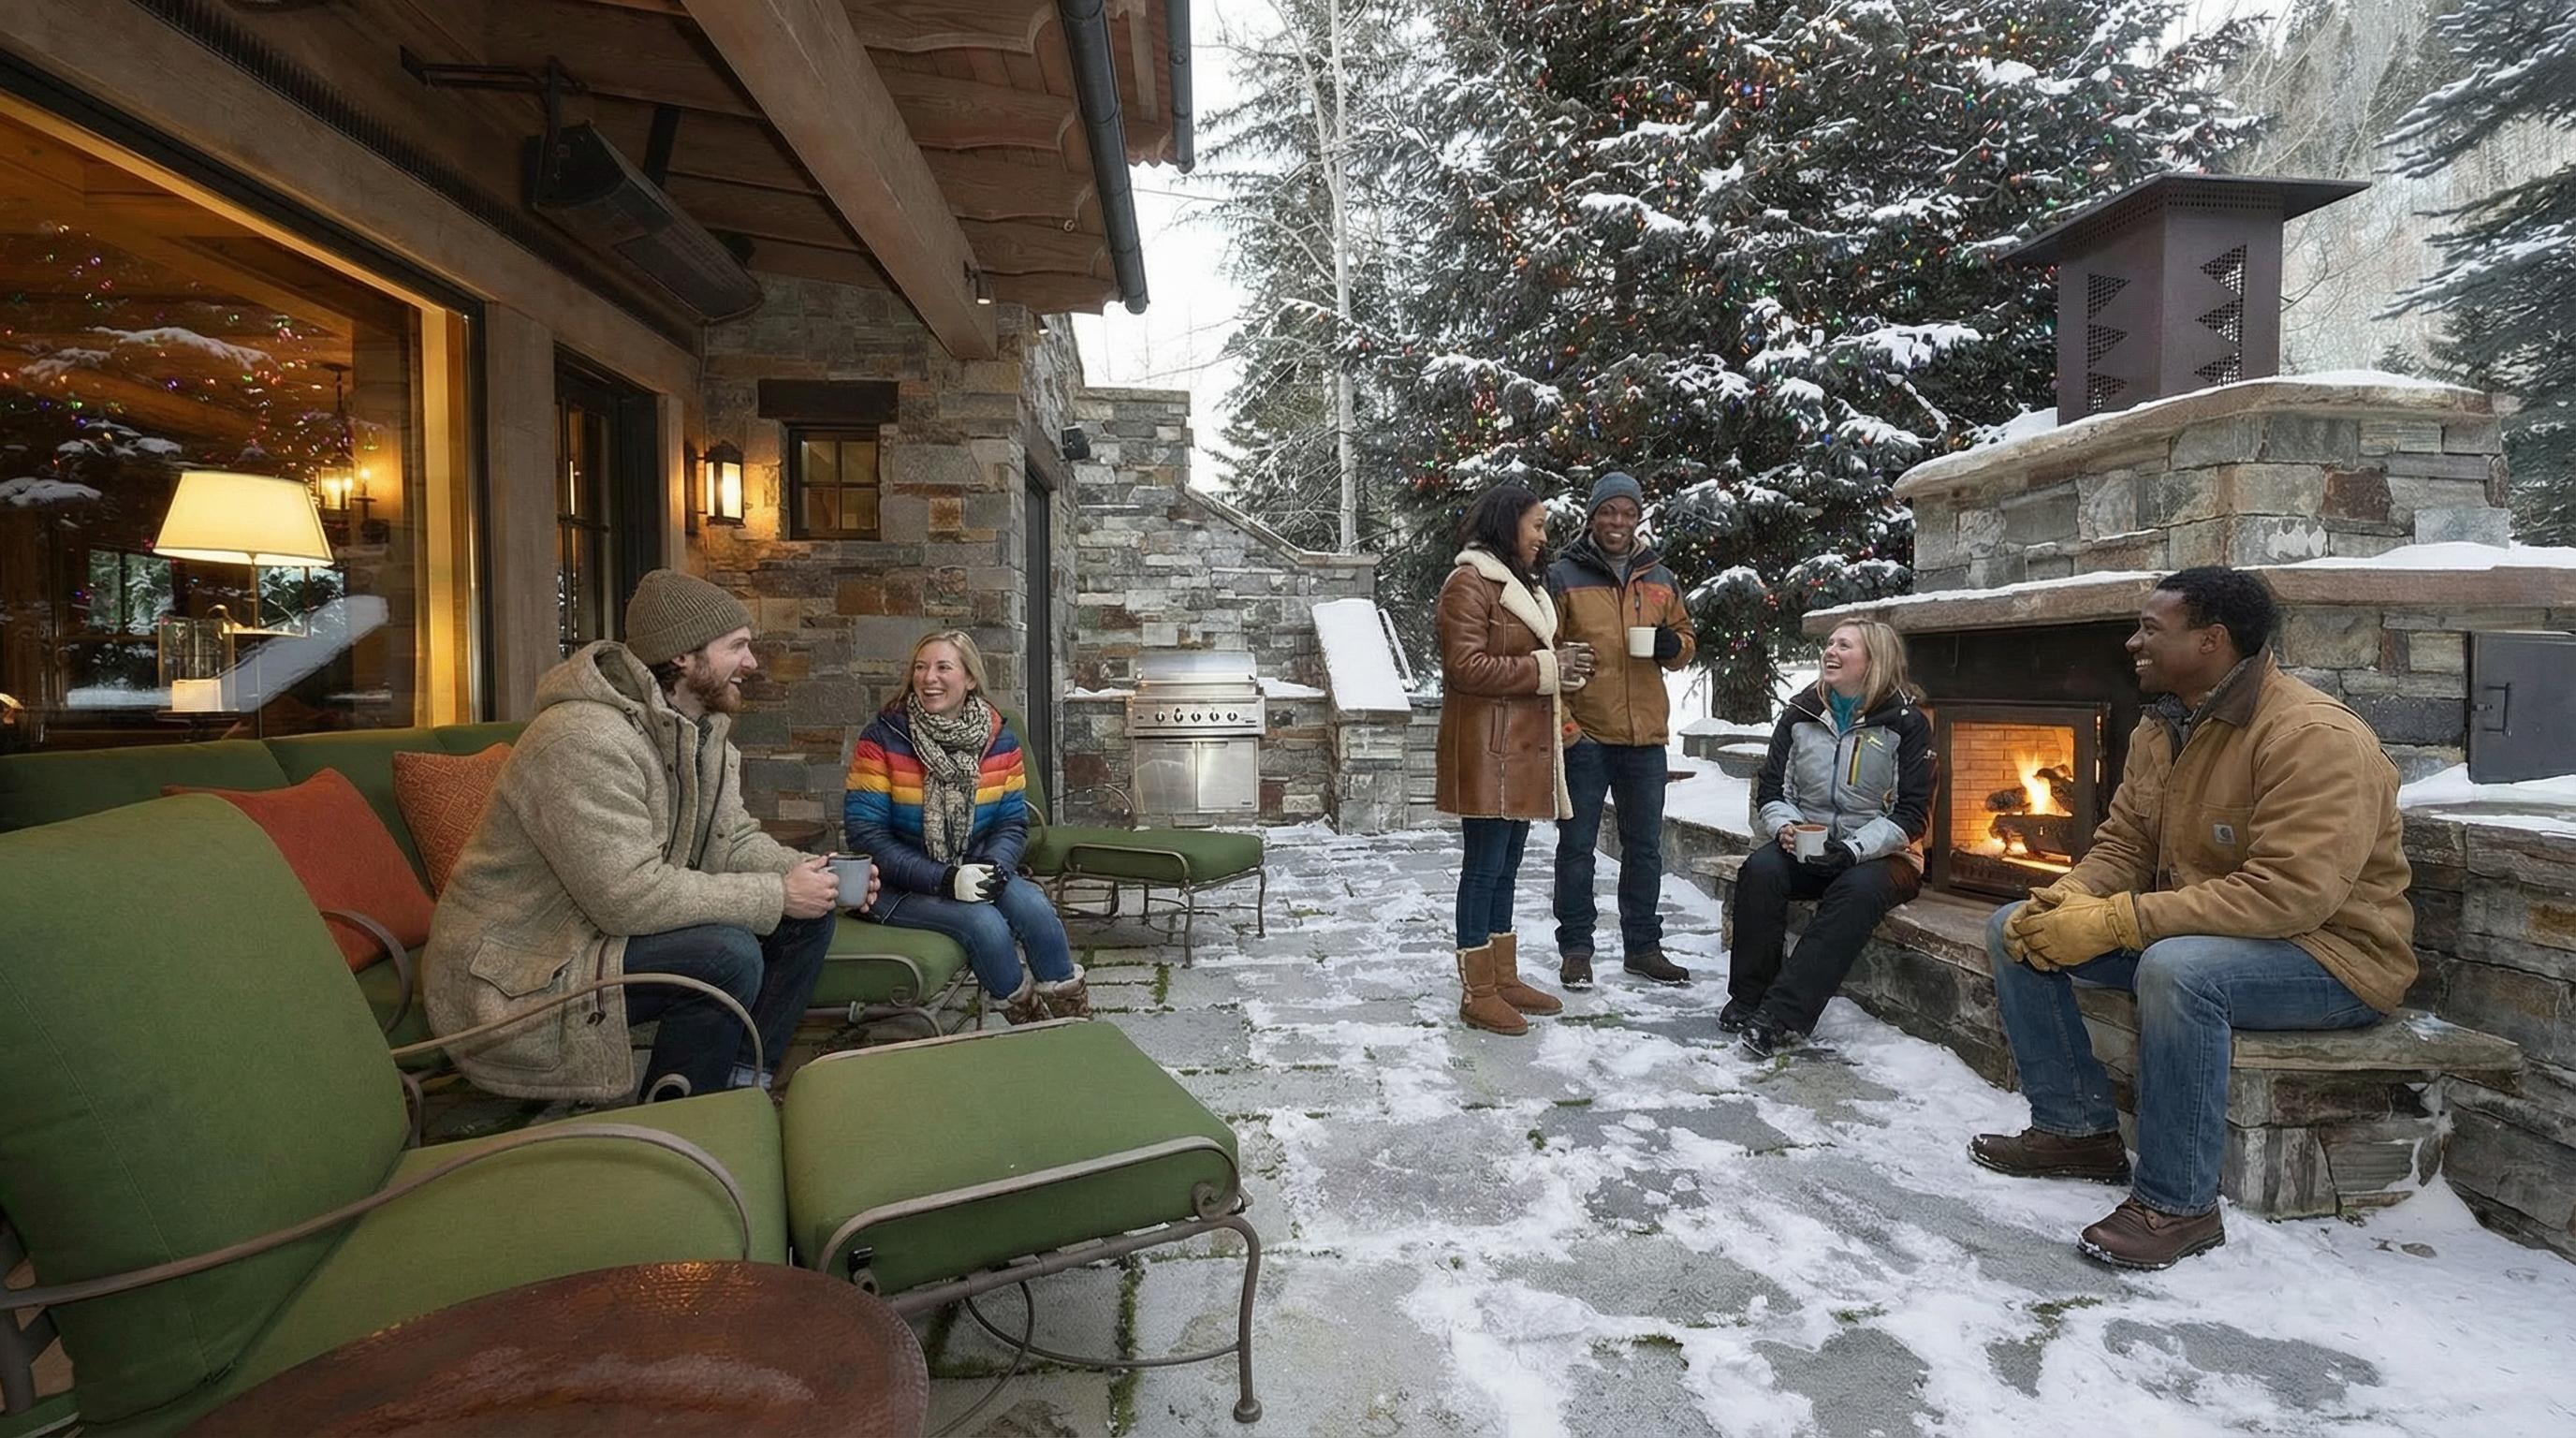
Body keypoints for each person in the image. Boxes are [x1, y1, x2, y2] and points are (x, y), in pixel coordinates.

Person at [1969, 566, 2415, 1270]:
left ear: (2212, 641)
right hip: (2214, 933)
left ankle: (2177, 1206)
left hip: (2331, 958)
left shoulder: (2313, 737)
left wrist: (2117, 923)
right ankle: (2078, 1131)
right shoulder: (2163, 726)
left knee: (2180, 971)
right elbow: (2124, 843)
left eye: (2151, 629)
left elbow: (2290, 895)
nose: (2132, 642)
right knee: (2015, 929)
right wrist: (2070, 900)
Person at [426, 568, 852, 1105]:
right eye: (738, 647)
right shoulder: (581, 739)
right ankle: (676, 1120)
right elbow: (627, 898)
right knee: (727, 953)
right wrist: (777, 894)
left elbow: (734, 840)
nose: (752, 663)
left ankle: (743, 1089)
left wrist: (813, 878)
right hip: (522, 973)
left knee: (806, 921)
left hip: (598, 937)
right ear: (682, 656)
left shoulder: (698, 732)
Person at [844, 630, 1087, 1025]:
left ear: (970, 678)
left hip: (975, 867)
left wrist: (993, 868)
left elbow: (1011, 821)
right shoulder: (882, 740)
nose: (928, 678)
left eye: (943, 667)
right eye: (920, 668)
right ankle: (1029, 1023)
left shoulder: (999, 739)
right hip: (896, 887)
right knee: (986, 924)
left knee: (1035, 909)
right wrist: (946, 879)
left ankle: (1073, 1020)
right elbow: (867, 835)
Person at [1731, 619, 1935, 1060]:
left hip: (1885, 856)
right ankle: (1749, 999)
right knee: (1761, 870)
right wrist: (1785, 825)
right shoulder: (1800, 715)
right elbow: (1773, 791)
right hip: (1812, 844)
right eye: (1829, 643)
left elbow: (1912, 814)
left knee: (1854, 890)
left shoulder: (1906, 723)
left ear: (1873, 661)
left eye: (1845, 645)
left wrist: (1851, 850)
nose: (1831, 651)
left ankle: (1780, 1017)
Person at [1434, 481, 1580, 1036]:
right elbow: (1465, 669)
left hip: (1521, 749)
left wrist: (1560, 674)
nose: (1544, 536)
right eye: (1536, 524)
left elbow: (1524, 658)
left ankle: (1502, 975)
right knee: (1483, 869)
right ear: (1507, 523)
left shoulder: (1522, 584)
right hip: (1488, 750)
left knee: (1508, 867)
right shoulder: (1468, 583)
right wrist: (1547, 669)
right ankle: (1478, 991)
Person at [1547, 471, 1698, 990]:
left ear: (1638, 518)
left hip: (1645, 739)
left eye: (1628, 513)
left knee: (1645, 849)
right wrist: (1568, 728)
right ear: (1593, 516)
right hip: (1586, 735)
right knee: (1577, 848)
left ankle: (1643, 947)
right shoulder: (1562, 576)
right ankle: (1576, 948)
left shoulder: (1660, 577)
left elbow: (1685, 638)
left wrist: (1671, 648)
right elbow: (1546, 653)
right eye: (1609, 511)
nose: (1618, 521)